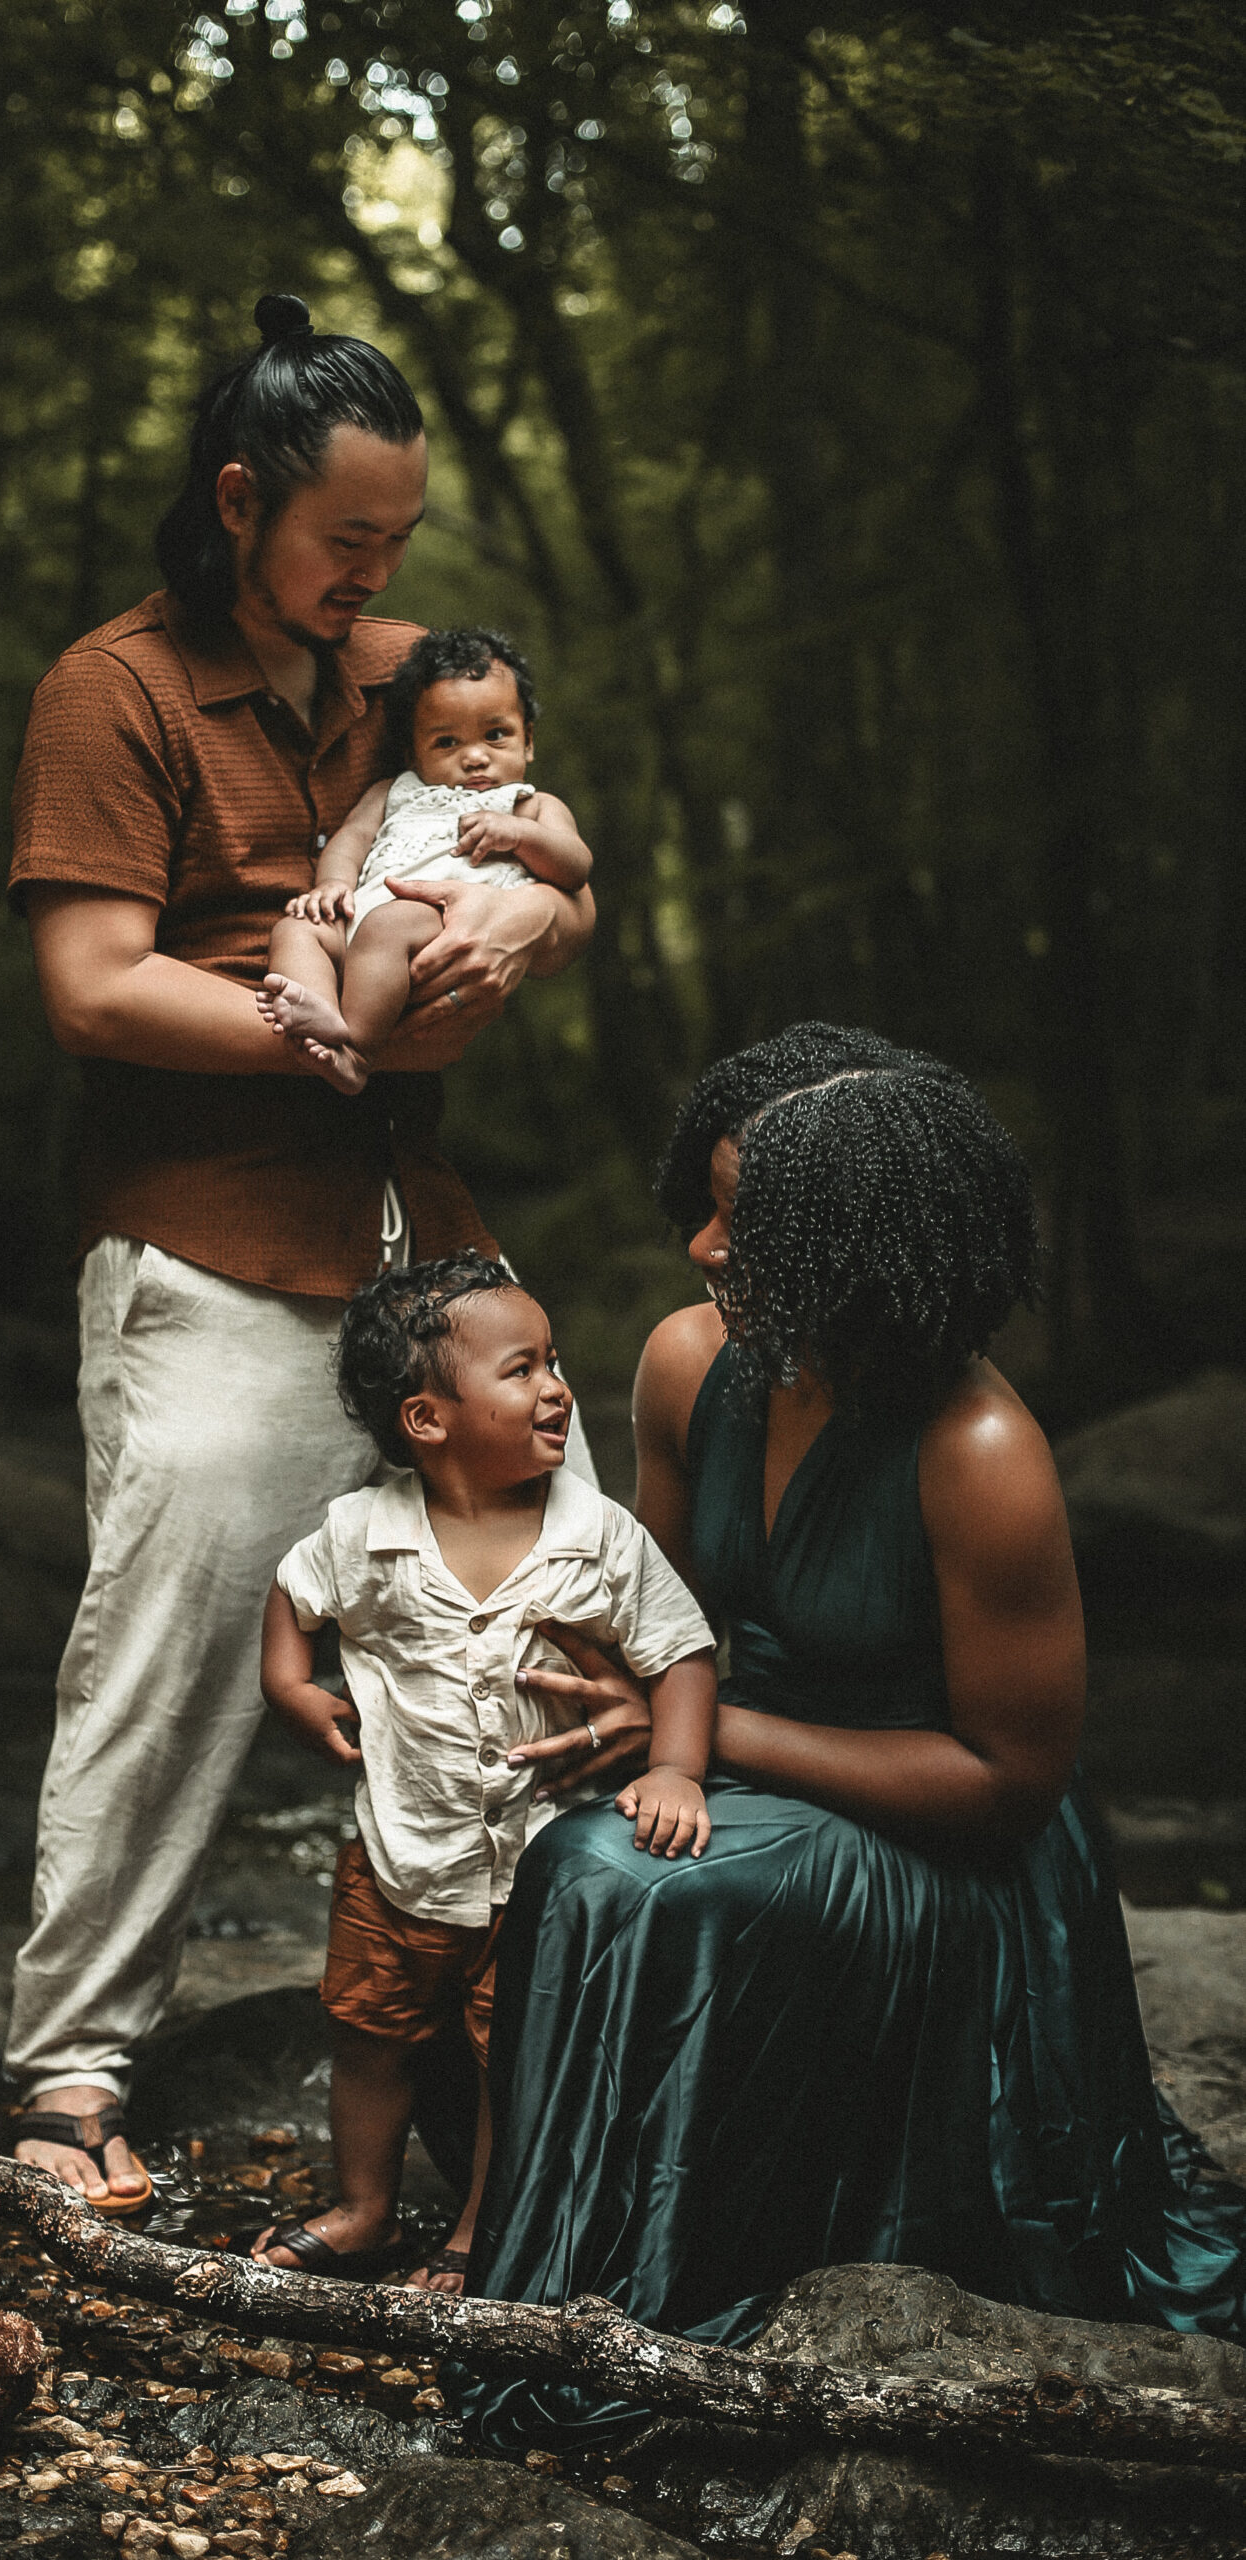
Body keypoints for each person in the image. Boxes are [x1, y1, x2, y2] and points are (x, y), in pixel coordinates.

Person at [1, 292, 596, 2206]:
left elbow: (533, 825)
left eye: (401, 544)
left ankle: (510, 2073)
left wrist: (536, 928)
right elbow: (92, 989)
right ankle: (72, 2072)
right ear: (241, 499)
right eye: (348, 539)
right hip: (211, 1234)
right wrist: (319, 1018)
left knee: (540, 1625)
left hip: (424, 1238)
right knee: (170, 1648)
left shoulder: (410, 665)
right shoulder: (114, 690)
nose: (380, 581)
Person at [454, 1025, 1246, 2448]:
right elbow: (658, 1618)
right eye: (698, 1206)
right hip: (742, 1757)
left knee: (636, 1879)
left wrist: (702, 1738)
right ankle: (544, 2274)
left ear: (852, 1246)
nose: (698, 1249)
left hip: (944, 1847)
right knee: (581, 1853)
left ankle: (654, 2302)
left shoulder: (978, 1453)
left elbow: (1004, 1783)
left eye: (738, 1224)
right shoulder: (690, 1368)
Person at [253, 1253, 715, 2291]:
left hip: (538, 1872)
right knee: (369, 2035)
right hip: (395, 1856)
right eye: (523, 1369)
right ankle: (367, 2206)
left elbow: (681, 1651)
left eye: (554, 1361)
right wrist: (290, 1684)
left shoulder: (595, 1535)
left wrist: (678, 1766)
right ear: (427, 1419)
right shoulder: (363, 1534)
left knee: (515, 2053)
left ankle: (478, 2228)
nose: (557, 1387)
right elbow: (292, 1595)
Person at [256, 629, 592, 1093]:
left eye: (496, 735)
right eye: (447, 743)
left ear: (528, 740)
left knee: (389, 926)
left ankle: (355, 1052)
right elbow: (350, 839)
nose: (475, 757)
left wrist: (521, 836)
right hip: (359, 920)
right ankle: (319, 1013)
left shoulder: (530, 806)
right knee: (294, 930)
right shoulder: (394, 792)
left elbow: (575, 867)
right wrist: (331, 885)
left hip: (430, 931)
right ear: (414, 751)